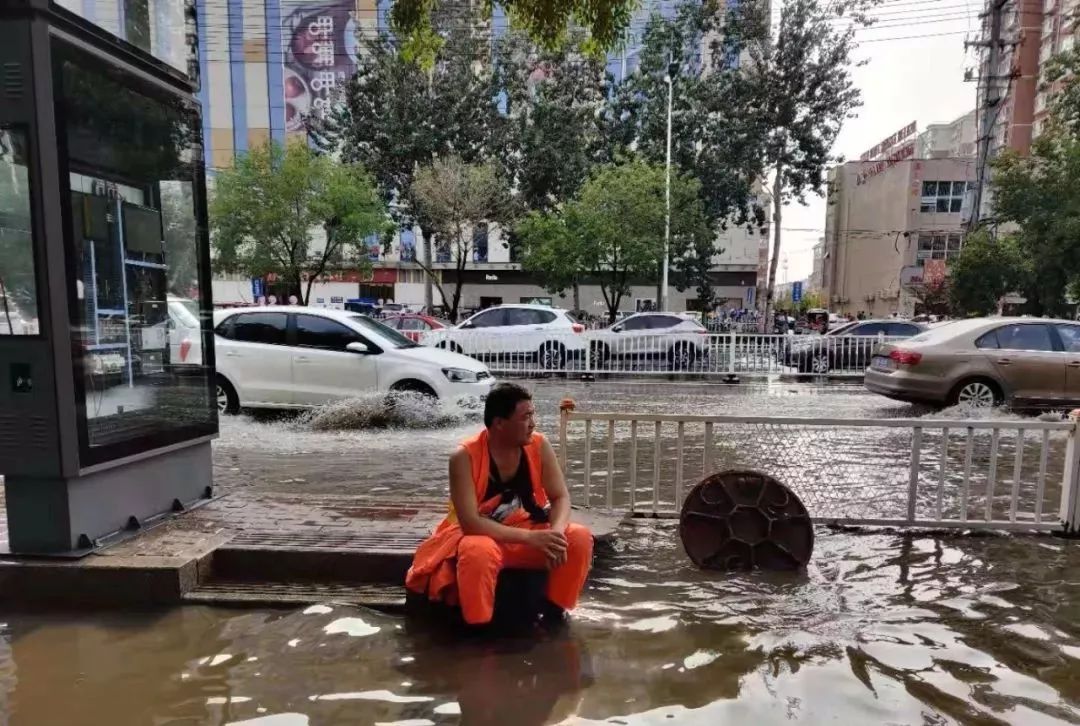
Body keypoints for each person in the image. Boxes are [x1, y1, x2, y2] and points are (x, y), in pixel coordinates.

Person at [406, 383, 593, 627]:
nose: (533, 424)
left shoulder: (539, 445)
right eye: (525, 417)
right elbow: (471, 523)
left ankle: (555, 613)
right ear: (499, 423)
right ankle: (479, 626)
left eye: (532, 415)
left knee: (577, 537)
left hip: (524, 530)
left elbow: (560, 497)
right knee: (477, 551)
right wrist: (530, 538)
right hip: (483, 536)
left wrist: (555, 533)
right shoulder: (463, 456)